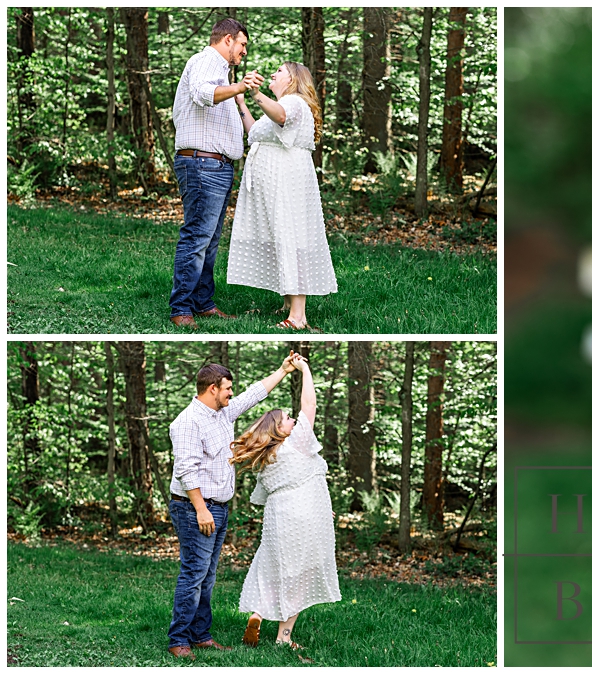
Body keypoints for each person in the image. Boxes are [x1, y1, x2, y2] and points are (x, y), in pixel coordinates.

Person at [167, 355, 299, 660]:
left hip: (218, 507)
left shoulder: (221, 414)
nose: (231, 393)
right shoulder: (188, 421)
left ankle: (201, 635)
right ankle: (179, 640)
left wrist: (282, 369)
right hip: (194, 508)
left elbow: (254, 394)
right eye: (227, 388)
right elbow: (186, 470)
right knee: (194, 573)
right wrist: (200, 509)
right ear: (212, 388)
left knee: (208, 575)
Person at [232, 353, 341, 650]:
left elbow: (267, 494)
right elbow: (310, 406)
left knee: (272, 569)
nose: (293, 419)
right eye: (287, 419)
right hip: (305, 516)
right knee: (301, 574)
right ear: (278, 429)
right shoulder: (297, 443)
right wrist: (304, 369)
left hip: (278, 518)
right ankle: (284, 638)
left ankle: (258, 614)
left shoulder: (266, 457)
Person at [226, 62, 338, 331]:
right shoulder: (280, 105)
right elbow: (255, 133)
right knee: (280, 237)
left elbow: (281, 117)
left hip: (289, 182)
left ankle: (298, 317)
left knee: (291, 237)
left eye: (279, 71)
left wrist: (256, 95)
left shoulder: (295, 103)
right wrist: (242, 103)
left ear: (292, 80)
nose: (273, 74)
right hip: (274, 185)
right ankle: (289, 302)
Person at [169, 17, 264, 330]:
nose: (244, 52)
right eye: (242, 45)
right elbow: (200, 93)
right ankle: (181, 308)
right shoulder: (205, 60)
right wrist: (238, 86)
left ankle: (203, 302)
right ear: (228, 39)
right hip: (202, 164)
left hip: (217, 166)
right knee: (197, 237)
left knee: (209, 240)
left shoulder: (221, 71)